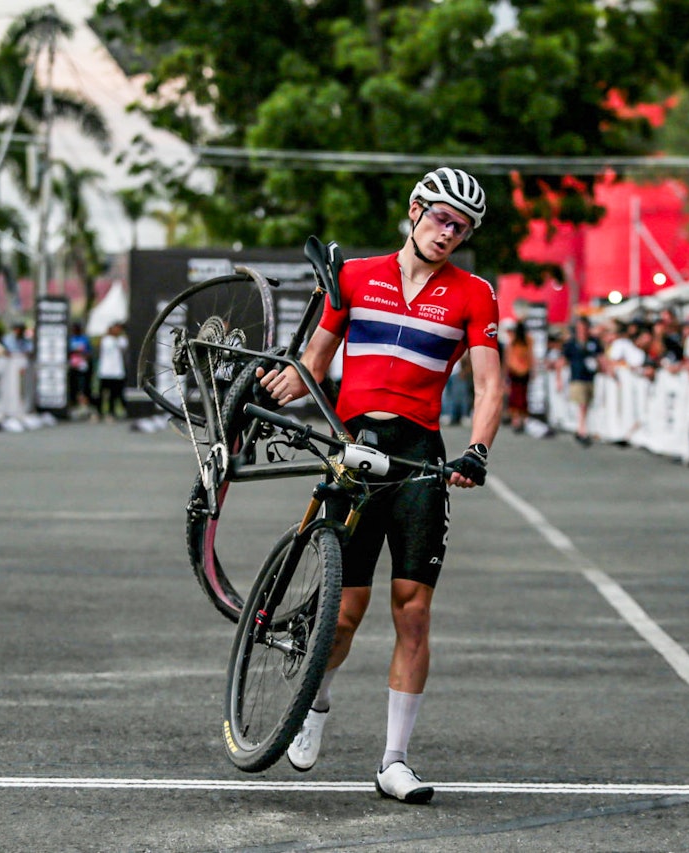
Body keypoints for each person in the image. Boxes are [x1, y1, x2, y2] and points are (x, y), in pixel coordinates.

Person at [257, 167, 502, 805]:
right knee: (343, 614)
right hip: (354, 447)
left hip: (419, 454)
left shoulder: (474, 293)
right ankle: (317, 703)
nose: (449, 233)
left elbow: (489, 382)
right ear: (416, 209)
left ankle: (394, 761)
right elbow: (315, 360)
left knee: (413, 611)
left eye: (462, 227)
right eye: (442, 219)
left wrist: (478, 449)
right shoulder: (356, 277)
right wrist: (278, 395)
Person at [559, 315, 602, 445]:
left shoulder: (593, 342)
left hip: (590, 377)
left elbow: (601, 357)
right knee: (582, 404)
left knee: (587, 404)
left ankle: (582, 428)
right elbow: (562, 361)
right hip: (577, 377)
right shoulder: (571, 343)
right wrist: (559, 378)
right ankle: (582, 429)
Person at [95, 322, 129, 421]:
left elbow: (124, 347)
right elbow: (99, 346)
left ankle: (111, 412)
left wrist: (119, 336)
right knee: (102, 393)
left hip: (117, 372)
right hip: (105, 371)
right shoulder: (105, 340)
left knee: (114, 394)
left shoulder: (121, 340)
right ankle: (99, 412)